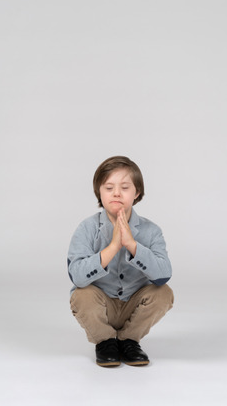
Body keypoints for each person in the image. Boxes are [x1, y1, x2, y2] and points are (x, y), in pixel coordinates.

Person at [67, 156, 174, 367]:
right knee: (81, 295)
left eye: (125, 187)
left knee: (164, 293)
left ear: (137, 193)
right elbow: (77, 276)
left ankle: (128, 340)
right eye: (109, 187)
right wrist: (113, 246)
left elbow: (163, 274)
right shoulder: (87, 228)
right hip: (101, 304)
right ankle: (105, 341)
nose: (116, 193)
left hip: (134, 305)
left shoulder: (151, 231)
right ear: (100, 192)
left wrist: (132, 245)